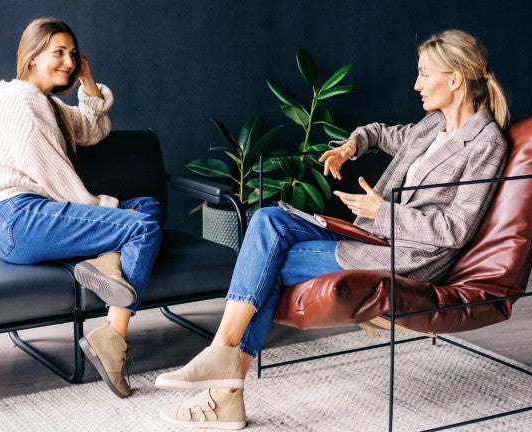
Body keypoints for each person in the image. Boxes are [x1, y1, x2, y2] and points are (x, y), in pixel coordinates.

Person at [154, 29, 510, 429]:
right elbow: (378, 133)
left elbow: (457, 229)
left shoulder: (485, 144)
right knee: (267, 219)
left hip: (410, 256)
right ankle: (225, 370)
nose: (416, 84)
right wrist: (349, 147)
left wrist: (382, 211)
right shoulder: (433, 127)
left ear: (455, 78)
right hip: (373, 238)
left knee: (269, 261)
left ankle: (224, 379)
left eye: (424, 74)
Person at [0, 18, 162, 398]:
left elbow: (93, 130)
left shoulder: (48, 104)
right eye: (58, 53)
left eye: (73, 54)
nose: (68, 62)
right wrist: (108, 210)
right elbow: (57, 178)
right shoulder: (20, 104)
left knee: (146, 206)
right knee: (141, 226)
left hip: (31, 215)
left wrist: (88, 82)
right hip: (16, 218)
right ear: (31, 57)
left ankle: (107, 264)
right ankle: (114, 338)